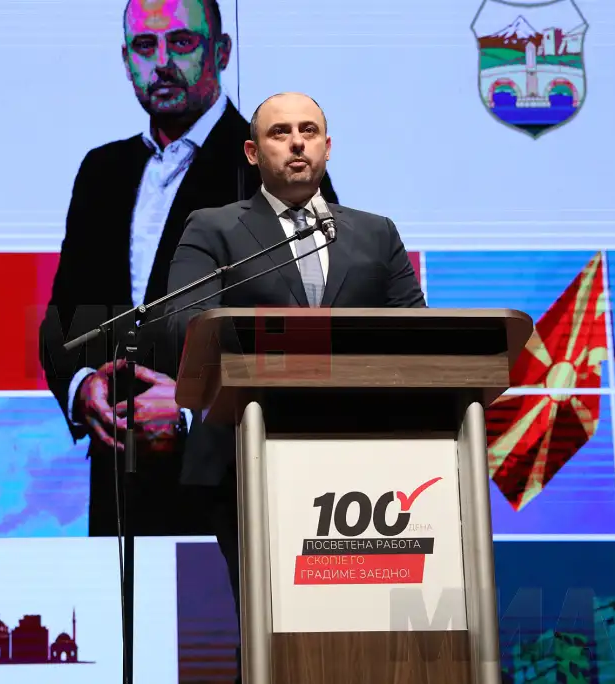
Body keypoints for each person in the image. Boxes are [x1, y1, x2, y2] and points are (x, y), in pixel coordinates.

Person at [38, 0, 339, 537]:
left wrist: (187, 414)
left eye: (180, 42)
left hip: (236, 491)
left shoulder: (274, 167)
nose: (161, 62)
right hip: (119, 492)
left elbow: (313, 334)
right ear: (126, 60)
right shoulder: (101, 171)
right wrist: (83, 388)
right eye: (144, 46)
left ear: (221, 52)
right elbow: (65, 319)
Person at [164, 92, 426, 681]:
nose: (297, 142)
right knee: (273, 628)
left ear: (328, 147)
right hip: (247, 457)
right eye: (280, 133)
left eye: (309, 130)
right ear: (253, 153)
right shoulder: (214, 228)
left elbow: (417, 332)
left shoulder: (374, 233)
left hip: (365, 463)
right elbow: (184, 323)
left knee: (365, 636)